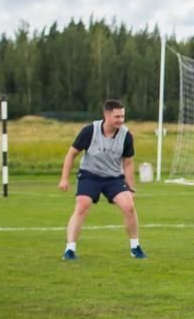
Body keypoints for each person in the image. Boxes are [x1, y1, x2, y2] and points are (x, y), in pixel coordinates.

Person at [58, 99, 145, 261]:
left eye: (122, 116)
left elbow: (128, 163)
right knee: (82, 206)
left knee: (129, 207)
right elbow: (71, 154)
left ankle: (135, 246)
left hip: (113, 178)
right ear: (106, 115)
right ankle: (70, 249)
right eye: (117, 117)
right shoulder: (90, 131)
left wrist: (131, 188)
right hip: (90, 175)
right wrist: (64, 178)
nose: (120, 120)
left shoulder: (126, 136)